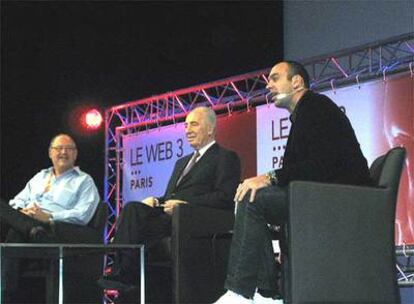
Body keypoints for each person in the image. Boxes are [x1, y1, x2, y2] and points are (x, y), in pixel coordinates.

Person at [214, 61, 372, 304]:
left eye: (275, 78)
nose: (269, 85)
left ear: (296, 82)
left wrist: (269, 178)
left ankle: (240, 292)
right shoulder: (304, 113)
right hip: (322, 194)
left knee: (253, 197)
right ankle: (267, 293)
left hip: (341, 198)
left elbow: (324, 164)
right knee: (253, 195)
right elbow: (302, 171)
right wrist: (269, 181)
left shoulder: (316, 107)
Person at [98, 106, 241, 292]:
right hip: (167, 216)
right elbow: (170, 196)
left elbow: (225, 197)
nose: (188, 130)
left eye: (194, 125)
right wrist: (156, 200)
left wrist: (187, 206)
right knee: (133, 208)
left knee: (135, 220)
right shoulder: (181, 162)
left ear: (210, 128)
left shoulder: (225, 157)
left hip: (191, 219)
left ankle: (124, 272)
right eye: (186, 125)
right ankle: (123, 270)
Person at [0, 133, 100, 301]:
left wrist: (49, 216)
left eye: (68, 149)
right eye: (58, 148)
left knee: (15, 232)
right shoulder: (40, 176)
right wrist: (23, 212)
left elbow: (83, 214)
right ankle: (30, 228)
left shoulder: (83, 181)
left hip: (53, 230)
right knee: (10, 219)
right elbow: (16, 201)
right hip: (30, 226)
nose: (63, 152)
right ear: (50, 153)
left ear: (75, 154)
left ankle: (5, 295)